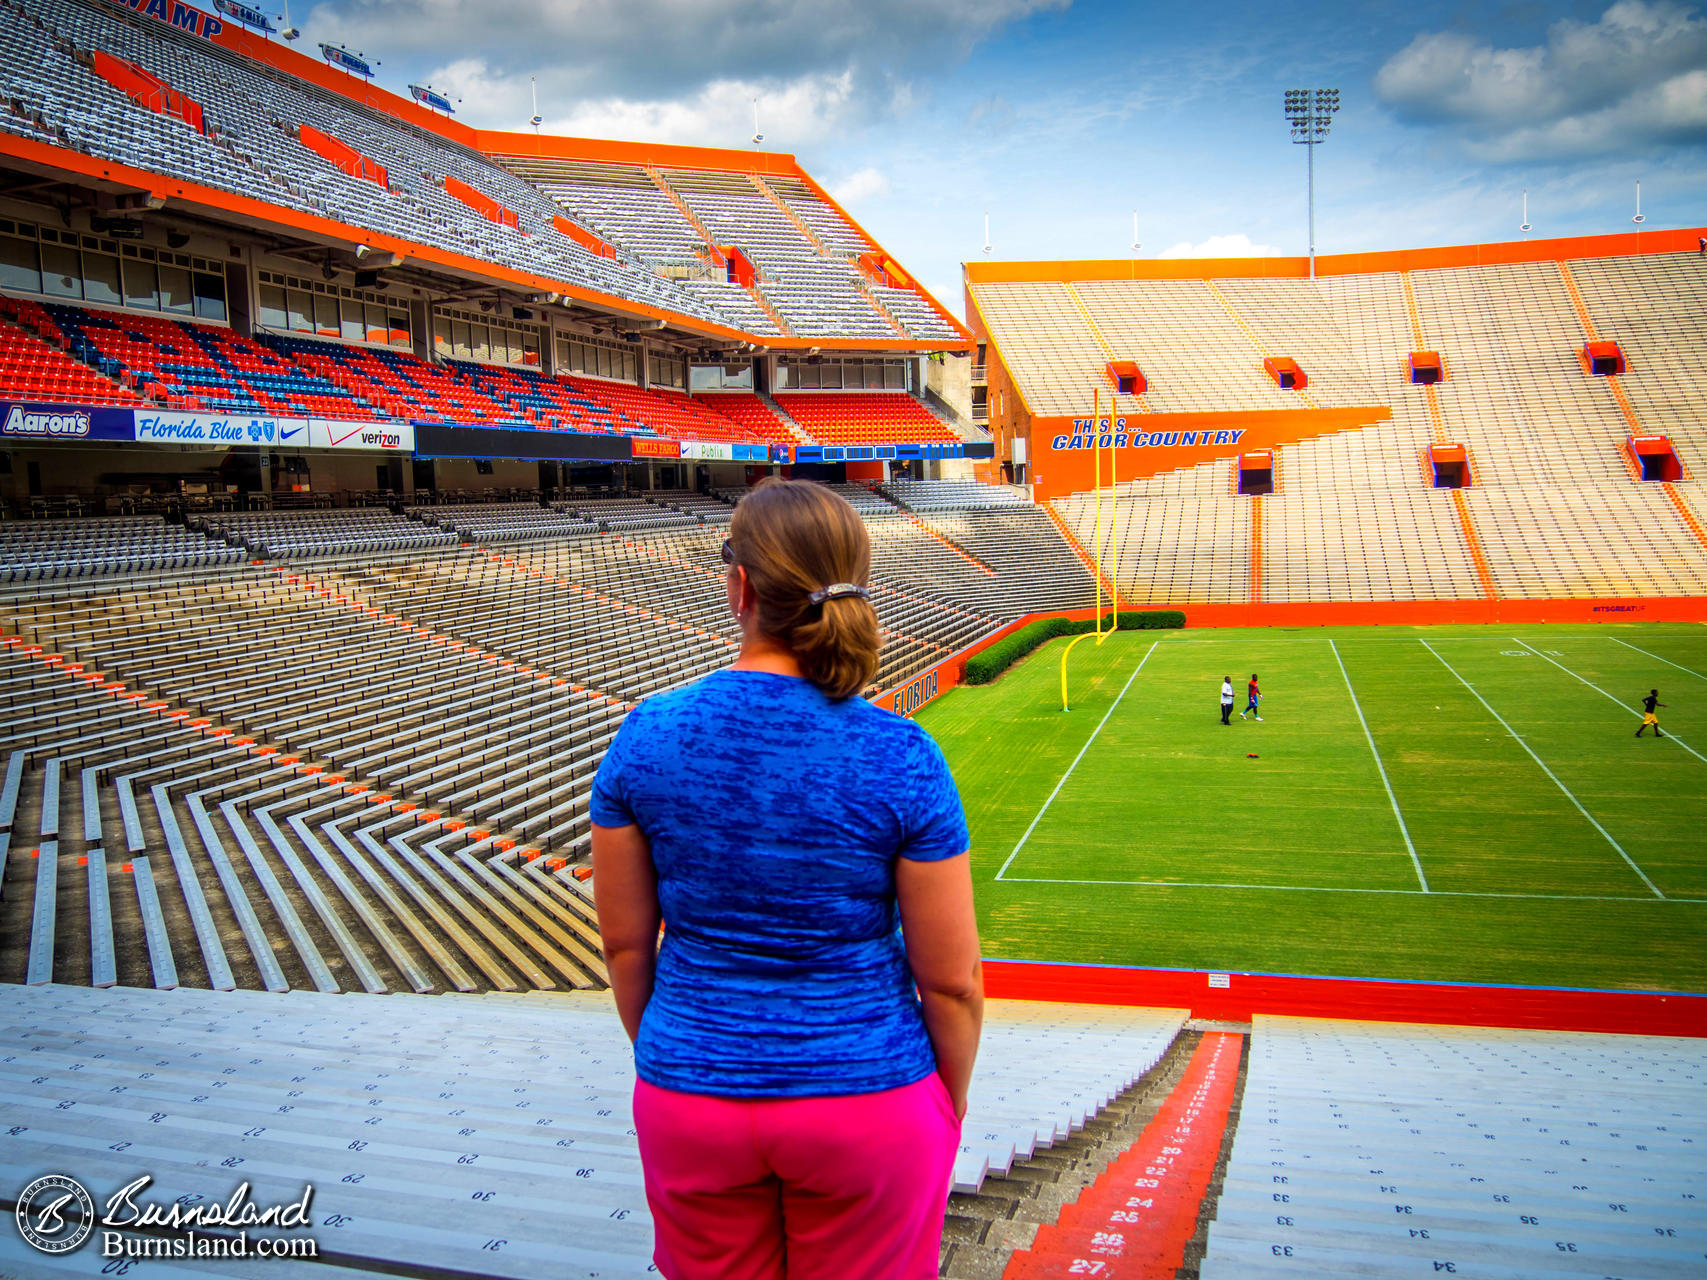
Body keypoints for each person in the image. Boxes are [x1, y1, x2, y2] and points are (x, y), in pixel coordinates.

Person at [590, 478, 982, 1280]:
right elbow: (951, 982)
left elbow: (627, 948)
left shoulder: (646, 734)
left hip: (688, 1094)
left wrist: (682, 1061)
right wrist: (942, 1101)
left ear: (738, 586)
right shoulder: (900, 754)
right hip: (868, 1099)